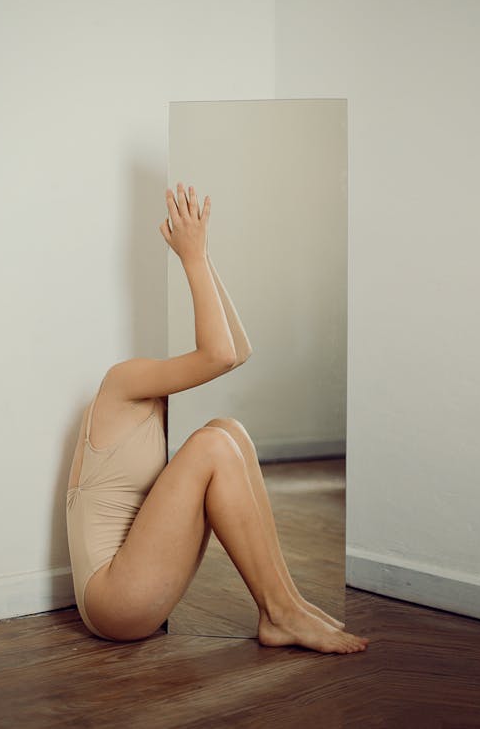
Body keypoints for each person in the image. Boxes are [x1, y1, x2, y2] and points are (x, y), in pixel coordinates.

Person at [65, 182, 370, 654]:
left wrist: (202, 257)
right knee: (210, 445)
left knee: (227, 431)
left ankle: (286, 604)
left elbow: (237, 350)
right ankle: (281, 611)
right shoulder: (121, 381)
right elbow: (221, 355)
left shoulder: (155, 395)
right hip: (112, 600)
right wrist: (190, 258)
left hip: (139, 584)